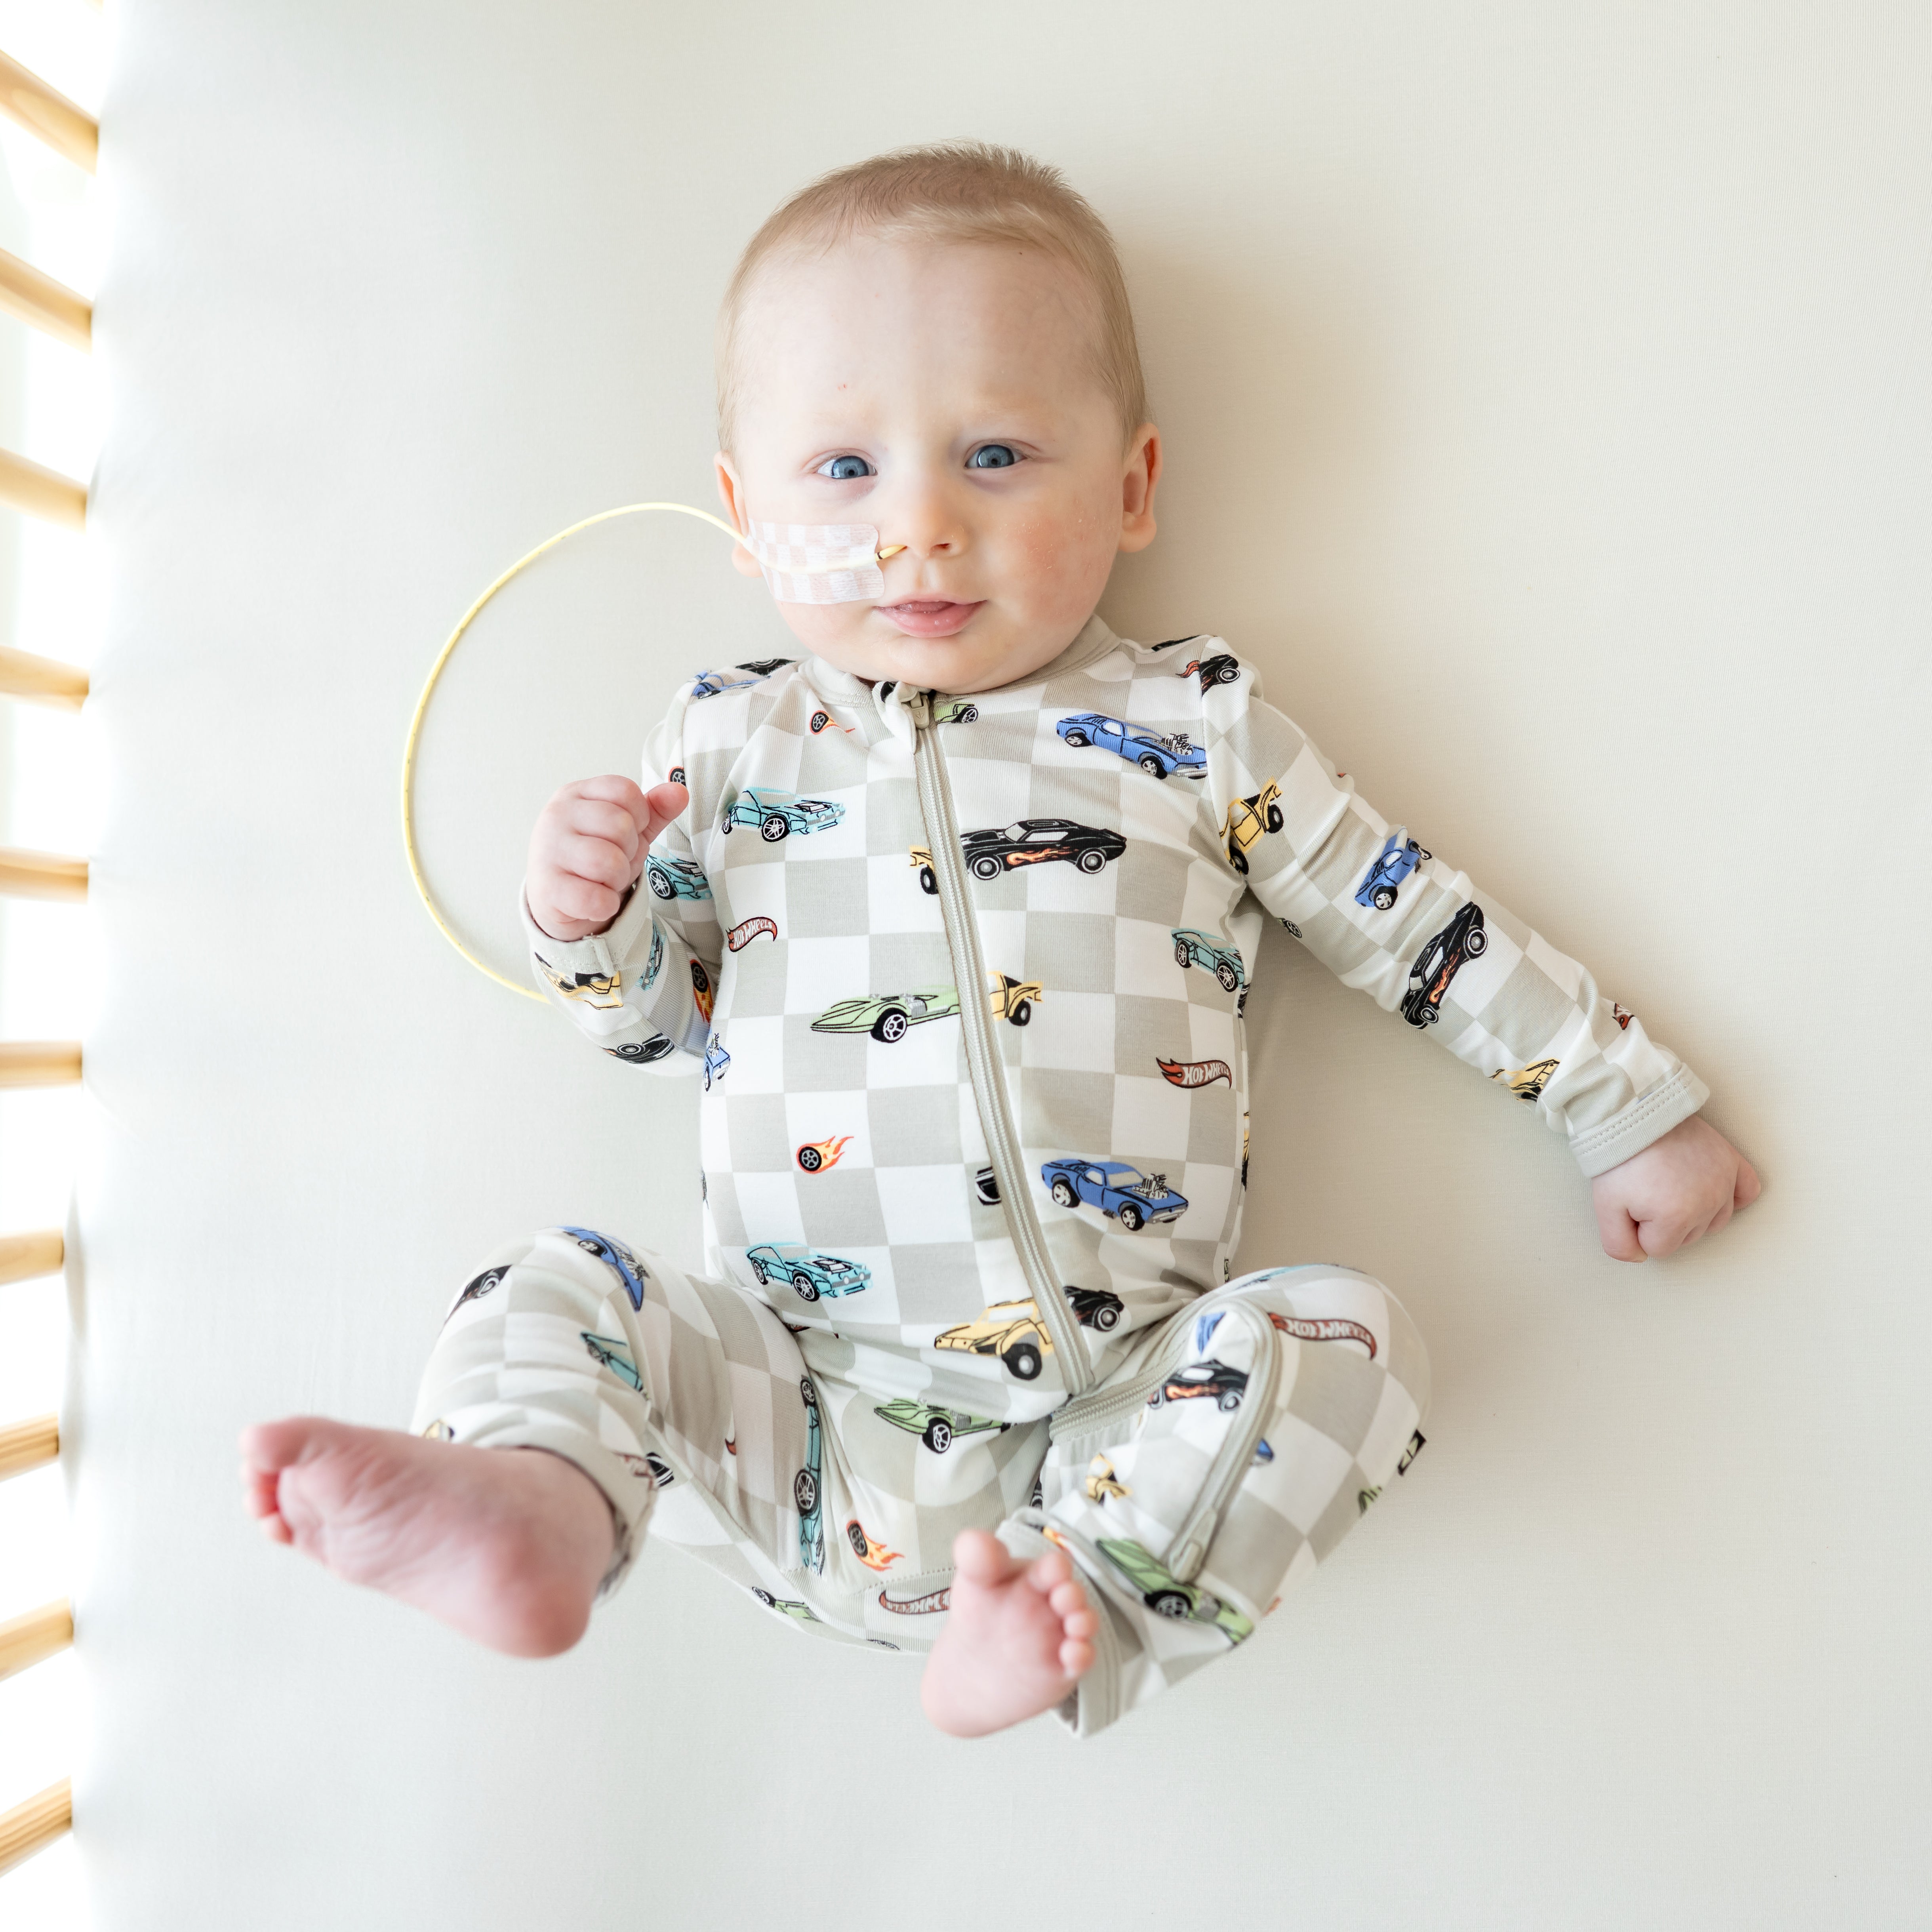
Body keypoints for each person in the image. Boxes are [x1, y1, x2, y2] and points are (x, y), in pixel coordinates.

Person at [241, 142, 1760, 1739]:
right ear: (744, 518)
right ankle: (538, 1502)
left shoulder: (1190, 728)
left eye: (992, 454)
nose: (918, 529)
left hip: (1122, 1423)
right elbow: (657, 1018)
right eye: (844, 471)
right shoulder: (729, 742)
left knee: (1346, 1337)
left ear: (1128, 486)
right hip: (806, 1399)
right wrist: (594, 915)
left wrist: (1619, 1104)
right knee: (559, 1287)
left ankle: (1076, 1609)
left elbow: (1406, 913)